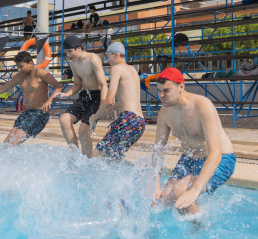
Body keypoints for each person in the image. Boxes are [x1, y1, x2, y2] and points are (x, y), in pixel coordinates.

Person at [151, 67, 236, 215]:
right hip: (189, 159)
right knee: (164, 198)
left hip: (221, 159)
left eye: (166, 91)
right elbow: (159, 150)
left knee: (180, 191)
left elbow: (216, 153)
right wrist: (155, 184)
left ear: (181, 87)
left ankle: (200, 230)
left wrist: (195, 190)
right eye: (159, 91)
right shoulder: (164, 112)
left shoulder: (202, 106)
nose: (161, 95)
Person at [0, 51, 63, 146]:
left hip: (39, 115)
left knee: (14, 143)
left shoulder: (40, 73)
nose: (19, 69)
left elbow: (58, 86)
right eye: (17, 67)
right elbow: (2, 89)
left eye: (21, 66)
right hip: (26, 114)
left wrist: (49, 100)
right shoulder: (19, 77)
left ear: (30, 63)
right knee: (7, 143)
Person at [89, 42, 145, 158]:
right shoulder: (133, 70)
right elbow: (120, 103)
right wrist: (100, 115)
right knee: (112, 159)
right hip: (139, 123)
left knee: (97, 156)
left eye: (108, 56)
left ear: (116, 55)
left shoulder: (117, 69)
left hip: (128, 120)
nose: (107, 61)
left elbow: (109, 100)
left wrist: (94, 118)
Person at [57, 36, 108, 158]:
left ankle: (87, 160)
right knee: (64, 120)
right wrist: (67, 94)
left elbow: (103, 84)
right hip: (84, 96)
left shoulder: (93, 59)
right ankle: (75, 156)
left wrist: (101, 107)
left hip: (97, 96)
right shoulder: (73, 63)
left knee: (83, 130)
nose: (68, 55)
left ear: (78, 49)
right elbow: (77, 84)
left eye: (70, 51)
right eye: (66, 52)